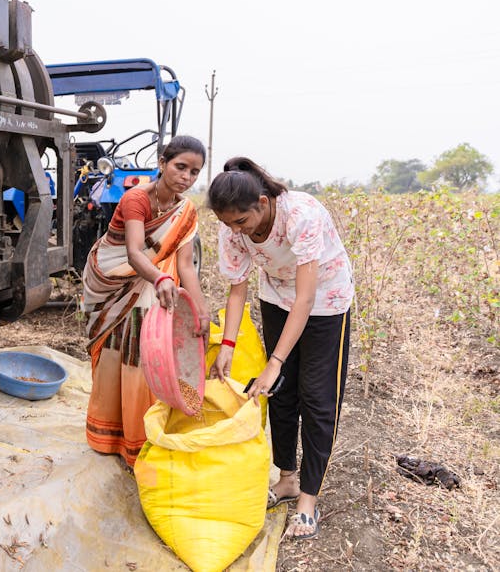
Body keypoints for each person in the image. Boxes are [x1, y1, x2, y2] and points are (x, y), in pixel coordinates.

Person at [207, 156, 353, 540]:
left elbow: (306, 299)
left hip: (324, 299)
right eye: (227, 224)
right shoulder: (231, 230)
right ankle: (287, 479)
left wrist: (274, 361)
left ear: (263, 203)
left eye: (241, 221)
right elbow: (237, 288)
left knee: (317, 396)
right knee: (281, 392)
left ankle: (308, 500)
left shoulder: (301, 215)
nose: (235, 230)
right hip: (276, 296)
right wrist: (228, 344)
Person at [82, 135, 210, 466]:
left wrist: (200, 309)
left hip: (150, 281)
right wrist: (160, 278)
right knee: (115, 350)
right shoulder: (136, 199)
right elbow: (134, 252)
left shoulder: (186, 211)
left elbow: (185, 266)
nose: (187, 177)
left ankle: (138, 438)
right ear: (163, 163)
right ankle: (109, 432)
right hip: (111, 279)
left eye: (194, 172)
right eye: (181, 167)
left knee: (142, 352)